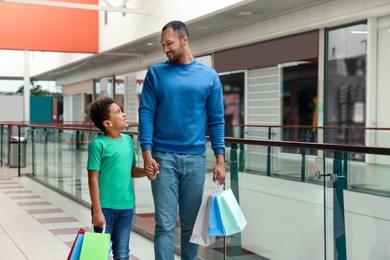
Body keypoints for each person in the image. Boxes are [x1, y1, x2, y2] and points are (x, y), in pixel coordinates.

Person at [139, 20, 226, 260]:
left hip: (196, 160)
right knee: (164, 225)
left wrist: (220, 160)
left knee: (191, 227)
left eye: (169, 43)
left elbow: (216, 120)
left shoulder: (209, 77)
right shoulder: (156, 73)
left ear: (184, 39)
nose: (165, 49)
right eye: (162, 45)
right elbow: (146, 112)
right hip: (162, 158)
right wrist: (147, 153)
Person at [87, 96, 153, 260]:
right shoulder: (98, 145)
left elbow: (131, 170)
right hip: (105, 208)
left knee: (122, 252)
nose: (123, 114)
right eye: (118, 112)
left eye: (121, 110)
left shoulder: (129, 141)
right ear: (107, 123)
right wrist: (97, 211)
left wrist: (146, 171)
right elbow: (93, 179)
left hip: (126, 206)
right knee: (99, 254)